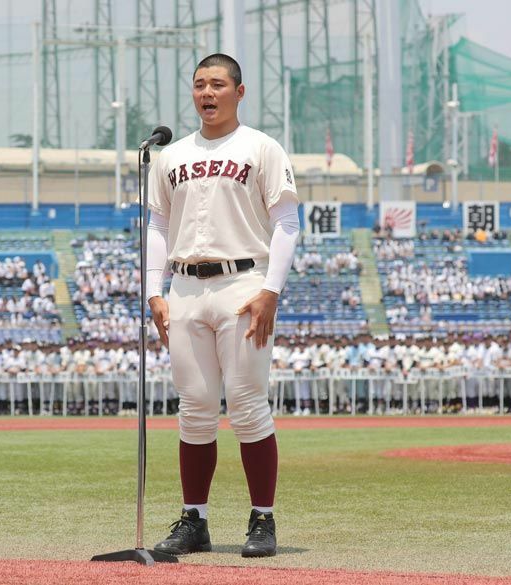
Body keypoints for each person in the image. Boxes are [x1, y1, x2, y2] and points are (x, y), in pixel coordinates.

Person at [145, 53, 300, 558]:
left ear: (239, 90)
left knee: (249, 405)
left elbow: (286, 224)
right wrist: (154, 290)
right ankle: (195, 520)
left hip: (243, 282)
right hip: (186, 286)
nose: (207, 93)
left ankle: (263, 520)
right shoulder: (171, 156)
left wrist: (271, 290)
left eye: (217, 84)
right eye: (198, 85)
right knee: (194, 408)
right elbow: (158, 227)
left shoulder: (261, 147)